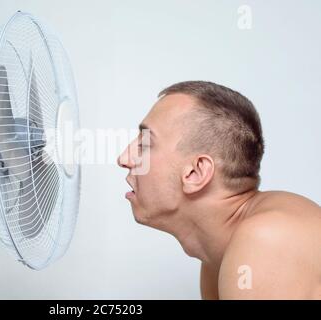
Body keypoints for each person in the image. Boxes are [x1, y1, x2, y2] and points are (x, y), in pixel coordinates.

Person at [117, 81, 321, 299]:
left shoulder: (265, 240)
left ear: (195, 172)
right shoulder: (219, 255)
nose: (124, 159)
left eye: (146, 145)